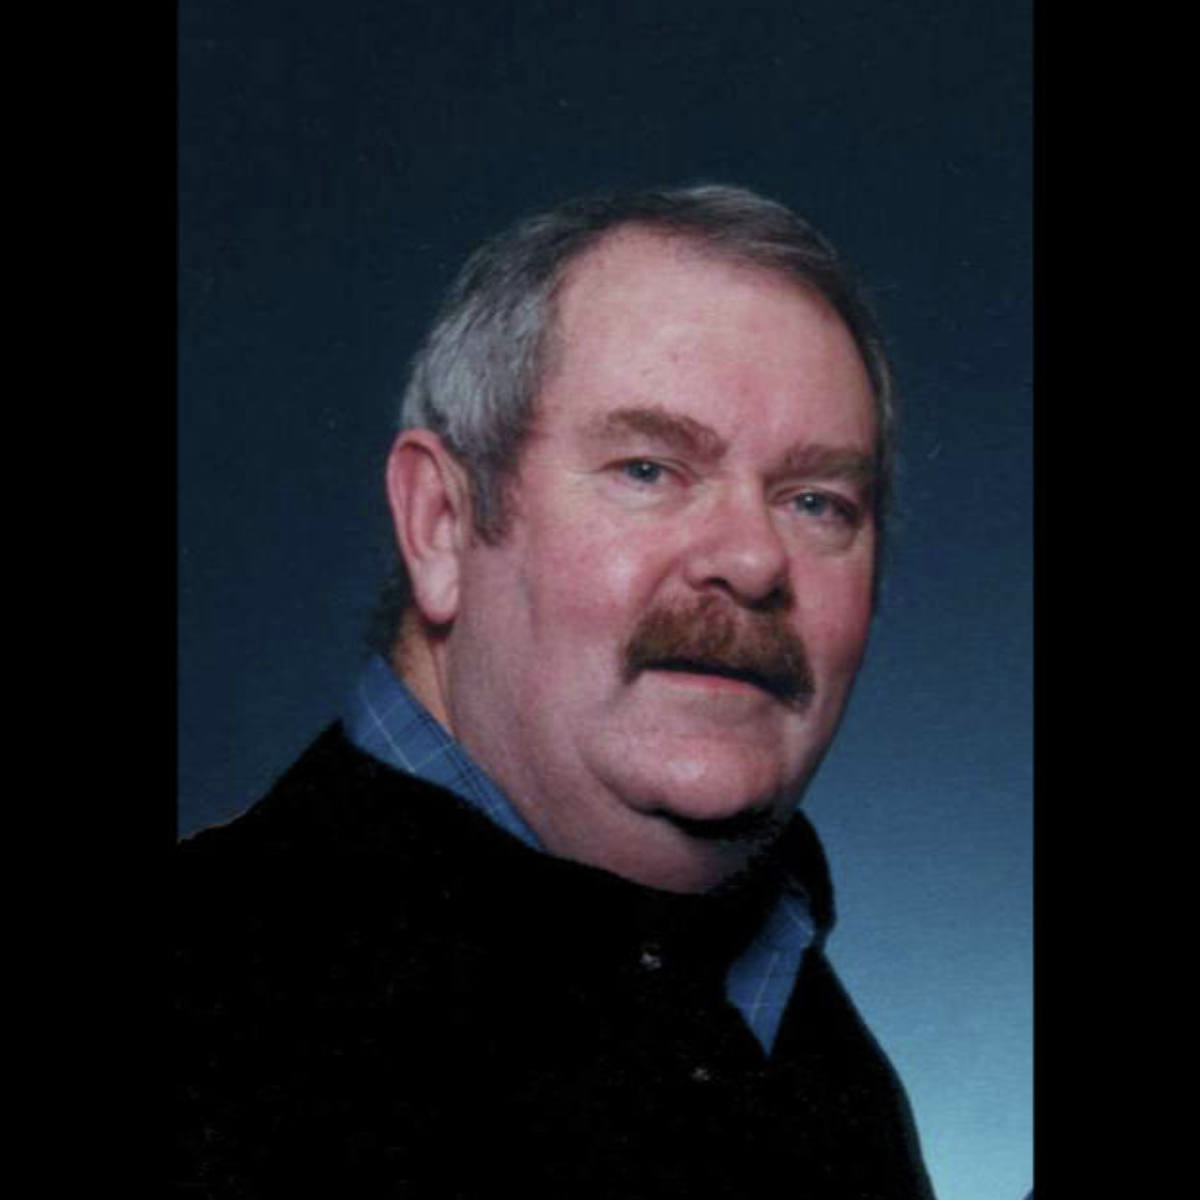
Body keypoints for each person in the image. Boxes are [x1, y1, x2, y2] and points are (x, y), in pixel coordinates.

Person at [175, 184, 936, 1199]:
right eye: (649, 469)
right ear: (442, 525)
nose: (753, 559)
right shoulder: (204, 1010)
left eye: (816, 501)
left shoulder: (815, 1056)